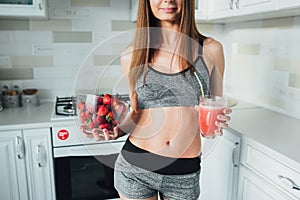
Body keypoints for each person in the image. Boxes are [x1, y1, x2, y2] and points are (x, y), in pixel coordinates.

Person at [83, 0, 231, 199]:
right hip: (136, 168)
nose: (167, 0)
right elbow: (137, 112)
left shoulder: (211, 49)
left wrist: (217, 122)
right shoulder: (132, 54)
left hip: (184, 174)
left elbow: (214, 105)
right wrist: (116, 131)